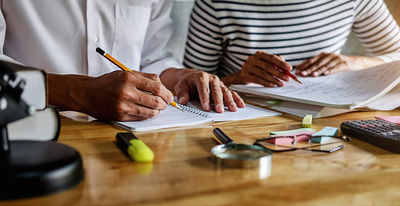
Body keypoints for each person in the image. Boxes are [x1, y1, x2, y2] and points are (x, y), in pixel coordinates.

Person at [0, 1, 245, 121]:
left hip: (128, 144)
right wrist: (79, 93)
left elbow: (152, 57)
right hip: (26, 133)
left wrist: (180, 77)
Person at [184, 0, 400, 88]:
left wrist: (352, 64)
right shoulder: (216, 3)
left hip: (324, 122)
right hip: (240, 125)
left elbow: (397, 54)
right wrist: (240, 78)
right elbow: (188, 86)